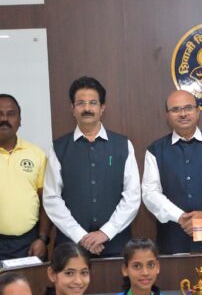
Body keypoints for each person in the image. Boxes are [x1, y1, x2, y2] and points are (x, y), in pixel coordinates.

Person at [44, 77, 140, 258]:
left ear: (102, 108)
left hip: (116, 243)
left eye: (93, 103)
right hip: (71, 246)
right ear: (72, 109)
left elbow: (133, 196)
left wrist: (106, 232)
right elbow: (52, 198)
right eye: (81, 103)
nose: (87, 108)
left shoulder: (123, 145)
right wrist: (81, 236)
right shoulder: (58, 148)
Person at [141, 90, 202, 254]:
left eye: (188, 108)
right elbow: (150, 193)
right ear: (168, 115)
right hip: (172, 236)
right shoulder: (155, 150)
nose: (183, 114)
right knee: (174, 279)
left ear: (198, 111)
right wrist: (181, 217)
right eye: (175, 109)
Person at [0, 93, 53, 264]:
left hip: (29, 244)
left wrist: (42, 239)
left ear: (20, 120)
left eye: (11, 114)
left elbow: (46, 201)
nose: (4, 118)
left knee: (31, 291)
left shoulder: (36, 154)